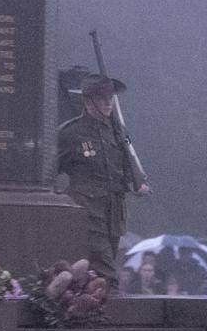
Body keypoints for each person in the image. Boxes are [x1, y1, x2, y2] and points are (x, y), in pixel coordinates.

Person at [56, 73, 149, 289]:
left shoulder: (118, 132)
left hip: (113, 215)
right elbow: (49, 173)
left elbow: (125, 168)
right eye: (102, 98)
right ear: (88, 100)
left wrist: (137, 182)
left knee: (95, 276)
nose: (109, 103)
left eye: (111, 98)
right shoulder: (71, 134)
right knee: (108, 275)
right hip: (87, 213)